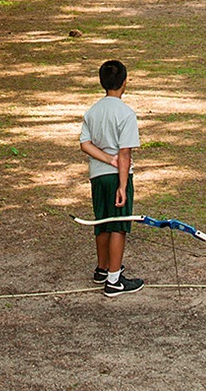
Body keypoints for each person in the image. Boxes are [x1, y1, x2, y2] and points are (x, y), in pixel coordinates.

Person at [79, 59, 144, 298]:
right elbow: (124, 152)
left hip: (98, 177)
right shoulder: (126, 114)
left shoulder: (92, 111)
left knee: (102, 222)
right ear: (125, 82)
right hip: (117, 177)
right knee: (118, 225)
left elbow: (85, 144)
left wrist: (106, 160)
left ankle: (102, 269)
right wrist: (123, 184)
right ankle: (114, 280)